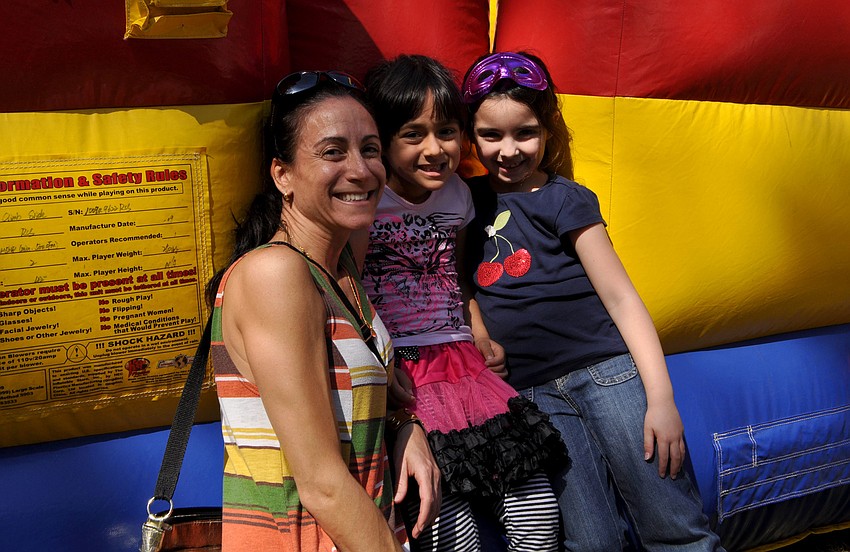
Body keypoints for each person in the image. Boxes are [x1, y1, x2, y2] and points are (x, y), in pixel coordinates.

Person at [461, 51, 727, 552]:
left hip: (606, 375)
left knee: (674, 526)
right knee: (590, 541)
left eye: (526, 132)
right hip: (532, 394)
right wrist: (478, 332)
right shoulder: (463, 202)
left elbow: (621, 297)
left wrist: (661, 398)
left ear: (547, 129)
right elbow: (458, 283)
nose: (509, 150)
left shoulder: (566, 199)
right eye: (491, 135)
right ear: (470, 135)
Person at [205, 70, 441, 552]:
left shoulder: (341, 270)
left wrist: (402, 425)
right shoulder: (275, 275)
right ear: (282, 175)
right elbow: (320, 483)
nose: (361, 170)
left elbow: (345, 409)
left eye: (370, 150)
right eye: (333, 152)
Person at [353, 54, 567, 552]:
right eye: (413, 135)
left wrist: (480, 332)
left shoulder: (458, 198)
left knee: (537, 516)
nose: (435, 149)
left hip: (464, 365)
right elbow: (351, 288)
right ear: (381, 140)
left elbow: (456, 275)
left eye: (447, 131)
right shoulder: (367, 198)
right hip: (406, 372)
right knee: (454, 533)